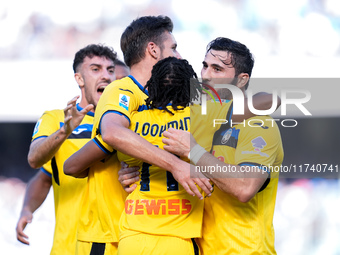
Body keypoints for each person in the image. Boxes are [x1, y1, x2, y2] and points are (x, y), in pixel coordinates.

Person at [63, 15, 214, 255]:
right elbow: (111, 133)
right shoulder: (123, 90)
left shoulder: (175, 100)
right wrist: (175, 164)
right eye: (173, 47)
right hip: (126, 234)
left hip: (163, 233)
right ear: (153, 50)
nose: (178, 55)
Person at [119, 37, 283, 254]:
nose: (205, 75)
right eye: (205, 66)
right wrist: (135, 171)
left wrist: (193, 151)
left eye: (217, 69)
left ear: (242, 80)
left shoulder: (258, 125)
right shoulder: (196, 119)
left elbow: (244, 188)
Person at [15, 44, 119, 255]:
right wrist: (27, 208)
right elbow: (39, 167)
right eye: (96, 69)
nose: (106, 76)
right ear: (79, 79)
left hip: (114, 243)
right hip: (67, 246)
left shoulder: (124, 123)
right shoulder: (55, 119)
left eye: (110, 70)